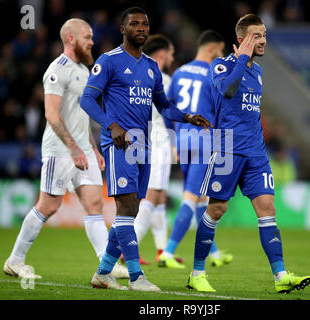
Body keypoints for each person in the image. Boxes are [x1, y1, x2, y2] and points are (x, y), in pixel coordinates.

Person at [79, 7, 212, 292]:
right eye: (134, 24)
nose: (141, 28)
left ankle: (103, 273)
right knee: (126, 206)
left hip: (144, 146)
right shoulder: (109, 61)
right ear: (122, 29)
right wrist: (110, 124)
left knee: (132, 210)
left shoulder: (151, 66)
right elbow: (88, 100)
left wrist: (188, 116)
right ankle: (137, 276)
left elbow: (163, 106)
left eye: (145, 24)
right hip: (118, 145)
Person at [186, 13, 310, 294]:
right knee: (216, 209)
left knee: (268, 209)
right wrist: (241, 58)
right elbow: (229, 91)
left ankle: (281, 276)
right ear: (241, 40)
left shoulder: (258, 71)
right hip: (227, 149)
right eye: (257, 36)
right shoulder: (220, 66)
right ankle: (197, 272)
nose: (264, 40)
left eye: (265, 34)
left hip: (255, 152)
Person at [3, 18, 129, 281]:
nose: (92, 41)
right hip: (60, 150)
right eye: (87, 37)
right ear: (71, 39)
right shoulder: (56, 70)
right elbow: (52, 114)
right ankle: (15, 260)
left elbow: (81, 117)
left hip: (83, 148)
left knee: (94, 204)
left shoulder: (86, 70)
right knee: (48, 205)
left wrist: (92, 148)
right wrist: (73, 149)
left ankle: (106, 265)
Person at [158, 30, 233, 269]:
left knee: (201, 198)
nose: (221, 56)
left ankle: (215, 253)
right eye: (220, 51)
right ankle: (168, 252)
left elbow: (167, 109)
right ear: (212, 49)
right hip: (205, 142)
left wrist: (173, 139)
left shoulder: (179, 72)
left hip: (183, 140)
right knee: (191, 198)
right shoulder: (213, 75)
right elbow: (223, 112)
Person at [132, 34, 176, 264]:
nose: (172, 57)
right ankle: (127, 249)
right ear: (161, 54)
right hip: (158, 140)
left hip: (143, 138)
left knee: (159, 199)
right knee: (153, 196)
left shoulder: (139, 73)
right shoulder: (164, 79)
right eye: (170, 53)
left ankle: (162, 251)